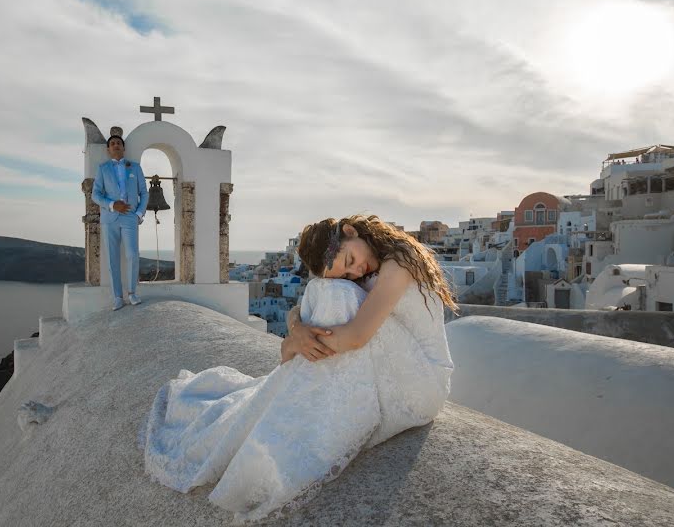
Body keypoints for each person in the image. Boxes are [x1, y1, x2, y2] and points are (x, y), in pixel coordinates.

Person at [142, 214, 457, 521]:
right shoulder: (369, 263)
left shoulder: (398, 262)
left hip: (422, 384)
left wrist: (295, 344)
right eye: (347, 272)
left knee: (335, 294)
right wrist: (296, 328)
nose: (356, 270)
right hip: (397, 367)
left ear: (351, 231)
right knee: (326, 288)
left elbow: (358, 336)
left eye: (350, 261)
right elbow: (304, 306)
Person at [91, 131, 148, 310]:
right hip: (110, 218)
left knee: (132, 254)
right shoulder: (103, 168)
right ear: (108, 149)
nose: (116, 145)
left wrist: (139, 214)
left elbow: (144, 193)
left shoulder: (135, 167)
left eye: (118, 143)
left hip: (130, 217)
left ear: (123, 148)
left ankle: (132, 293)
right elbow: (95, 194)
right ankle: (117, 297)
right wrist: (111, 204)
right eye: (112, 143)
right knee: (112, 259)